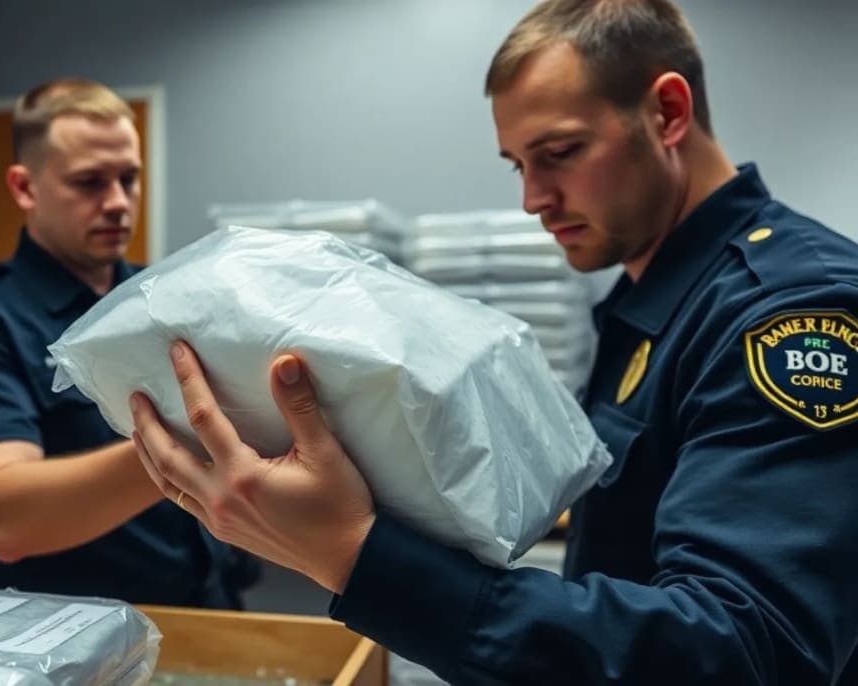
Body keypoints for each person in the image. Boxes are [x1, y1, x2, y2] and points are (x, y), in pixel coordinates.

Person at [127, 1, 858, 682]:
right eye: (518, 164)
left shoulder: (790, 310)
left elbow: (746, 652)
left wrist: (354, 552)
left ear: (667, 113)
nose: (532, 199)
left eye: (560, 152)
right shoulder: (657, 300)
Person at [0, 78, 245, 608]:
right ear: (24, 188)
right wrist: (194, 434)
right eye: (89, 182)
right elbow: (4, 515)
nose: (117, 202)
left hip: (205, 607)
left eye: (129, 179)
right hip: (67, 631)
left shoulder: (165, 296)